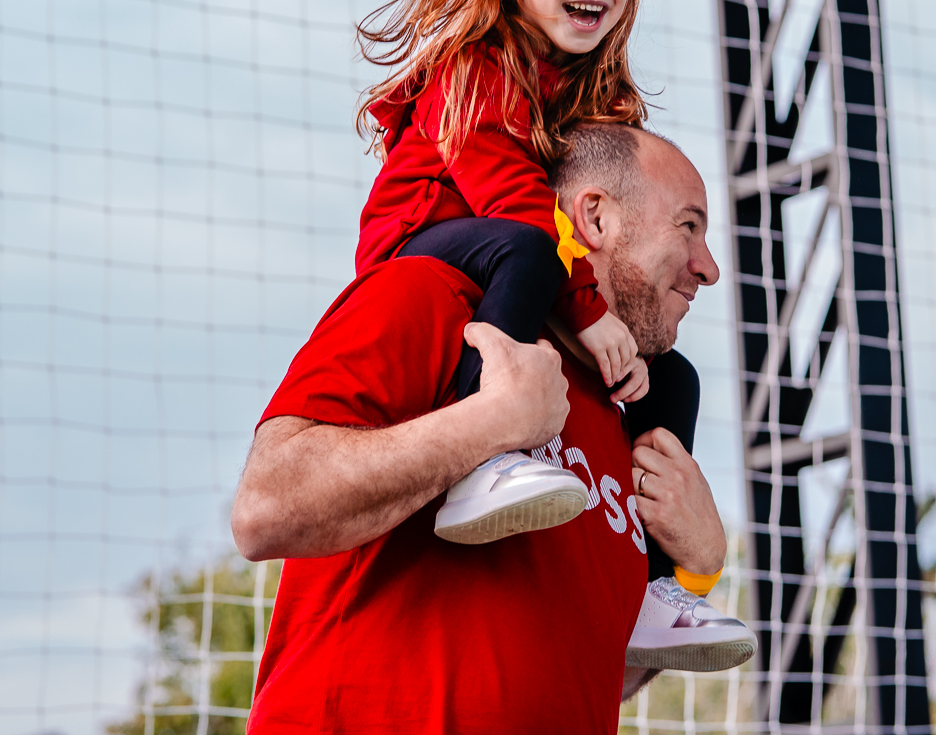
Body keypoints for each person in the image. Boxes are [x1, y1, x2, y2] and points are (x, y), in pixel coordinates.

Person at [232, 125, 754, 733]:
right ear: (595, 218)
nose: (709, 268)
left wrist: (694, 568)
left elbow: (596, 677)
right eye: (687, 226)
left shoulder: (626, 414)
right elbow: (265, 507)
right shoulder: (429, 295)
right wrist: (487, 424)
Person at [350, 0, 698, 572]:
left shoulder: (574, 96)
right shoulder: (473, 69)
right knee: (526, 246)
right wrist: (588, 309)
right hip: (424, 256)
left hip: (519, 269)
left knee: (672, 375)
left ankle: (658, 585)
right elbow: (515, 207)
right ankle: (483, 454)